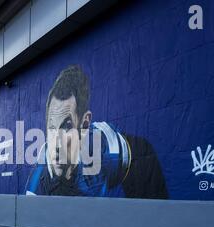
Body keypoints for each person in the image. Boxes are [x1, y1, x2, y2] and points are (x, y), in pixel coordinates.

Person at [25, 65, 168, 199]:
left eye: (66, 127)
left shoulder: (109, 152)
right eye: (51, 128)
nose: (56, 144)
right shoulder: (39, 177)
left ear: (85, 124)